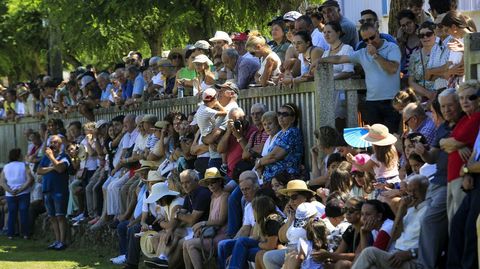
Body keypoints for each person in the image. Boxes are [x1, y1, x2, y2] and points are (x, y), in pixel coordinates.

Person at [319, 23, 401, 132]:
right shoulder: (362, 52)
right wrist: (320, 60)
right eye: (366, 40)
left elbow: (392, 69)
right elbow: (340, 59)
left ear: (377, 33)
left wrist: (376, 56)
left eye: (372, 37)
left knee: (392, 137)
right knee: (375, 141)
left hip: (392, 101)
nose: (370, 42)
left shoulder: (392, 47)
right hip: (372, 102)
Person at [352, 175, 429, 269]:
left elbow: (433, 245)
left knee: (369, 252)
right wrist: (401, 209)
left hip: (413, 260)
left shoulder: (429, 212)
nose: (411, 194)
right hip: (397, 255)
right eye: (409, 191)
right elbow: (396, 234)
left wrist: (411, 253)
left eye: (415, 190)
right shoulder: (410, 210)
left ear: (426, 190)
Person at [441, 81, 480, 222]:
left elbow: (452, 143)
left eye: (470, 97)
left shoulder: (476, 118)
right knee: (453, 223)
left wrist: (456, 144)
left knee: (458, 223)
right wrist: (456, 145)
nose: (465, 101)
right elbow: (444, 143)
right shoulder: (464, 119)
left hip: (462, 177)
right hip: (453, 177)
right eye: (462, 98)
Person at [182, 168, 229, 269]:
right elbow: (211, 218)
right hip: (212, 232)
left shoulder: (224, 196)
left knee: (190, 244)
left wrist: (202, 224)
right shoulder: (213, 197)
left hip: (221, 234)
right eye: (208, 183)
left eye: (213, 182)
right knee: (185, 244)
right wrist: (202, 229)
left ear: (220, 181)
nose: (210, 185)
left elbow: (221, 221)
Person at [227, 195, 283, 269]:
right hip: (265, 245)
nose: (253, 212)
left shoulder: (272, 220)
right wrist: (257, 220)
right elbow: (256, 236)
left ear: (259, 209)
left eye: (254, 209)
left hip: (274, 250)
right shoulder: (265, 218)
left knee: (243, 252)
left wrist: (260, 244)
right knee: (241, 241)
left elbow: (270, 246)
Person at [347, 124, 400, 198]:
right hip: (396, 180)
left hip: (382, 182)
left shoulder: (376, 157)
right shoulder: (392, 149)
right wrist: (372, 131)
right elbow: (382, 136)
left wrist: (353, 161)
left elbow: (363, 168)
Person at [37, 135, 71, 250]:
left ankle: (62, 241)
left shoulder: (64, 156)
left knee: (60, 216)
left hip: (59, 190)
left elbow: (61, 168)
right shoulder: (45, 158)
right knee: (52, 217)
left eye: (56, 142)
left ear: (61, 144)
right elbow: (39, 170)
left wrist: (52, 157)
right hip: (47, 189)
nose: (53, 144)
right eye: (51, 142)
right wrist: (52, 168)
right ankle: (56, 240)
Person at [255, 103, 304, 183]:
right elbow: (267, 157)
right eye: (279, 114)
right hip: (272, 179)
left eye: (285, 114)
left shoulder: (292, 132)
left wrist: (259, 162)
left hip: (284, 179)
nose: (281, 117)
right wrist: (261, 165)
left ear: (293, 118)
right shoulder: (281, 133)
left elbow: (273, 156)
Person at [321, 21, 354, 130]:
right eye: (324, 32)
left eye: (329, 32)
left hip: (342, 94)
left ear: (338, 33)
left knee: (340, 126)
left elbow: (348, 71)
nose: (326, 34)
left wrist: (331, 79)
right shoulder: (325, 53)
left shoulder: (347, 49)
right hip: (328, 94)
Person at [0, 148, 34, 239]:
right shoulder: (24, 165)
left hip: (10, 194)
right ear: (19, 156)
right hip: (23, 193)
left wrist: (10, 190)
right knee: (24, 212)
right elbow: (29, 179)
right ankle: (25, 233)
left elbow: (2, 182)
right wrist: (21, 189)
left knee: (12, 213)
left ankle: (10, 234)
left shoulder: (6, 167)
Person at [408, 21, 441, 101]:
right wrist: (428, 94)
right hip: (420, 99)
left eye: (428, 34)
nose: (425, 37)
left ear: (435, 34)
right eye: (421, 35)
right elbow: (411, 82)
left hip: (440, 96)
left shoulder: (443, 52)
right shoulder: (414, 55)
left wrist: (433, 96)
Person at [397, 9, 421, 78]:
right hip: (405, 75)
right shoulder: (403, 38)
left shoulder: (423, 34)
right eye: (403, 26)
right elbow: (399, 58)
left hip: (420, 74)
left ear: (414, 21)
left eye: (409, 23)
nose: (407, 27)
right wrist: (400, 40)